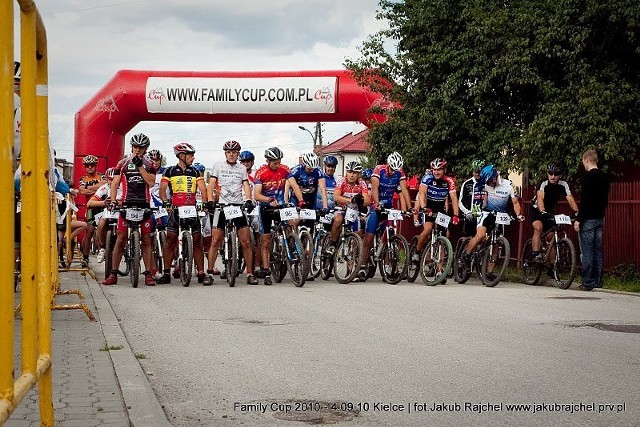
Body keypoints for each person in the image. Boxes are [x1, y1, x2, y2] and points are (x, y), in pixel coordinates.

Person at [102, 133, 159, 286]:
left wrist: (140, 165)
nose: (138, 150)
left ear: (145, 149)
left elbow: (151, 182)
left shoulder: (149, 164)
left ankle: (147, 274)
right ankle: (113, 274)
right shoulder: (122, 163)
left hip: (144, 205)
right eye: (135, 147)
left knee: (147, 241)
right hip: (126, 204)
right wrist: (113, 200)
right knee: (120, 239)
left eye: (141, 147)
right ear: (131, 147)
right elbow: (114, 184)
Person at [205, 140, 257, 285]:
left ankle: (250, 273)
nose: (231, 155)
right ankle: (209, 273)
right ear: (225, 153)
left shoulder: (241, 168)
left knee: (246, 241)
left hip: (237, 206)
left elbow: (246, 185)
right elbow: (212, 184)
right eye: (229, 152)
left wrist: (248, 199)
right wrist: (210, 200)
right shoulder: (218, 166)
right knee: (215, 240)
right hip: (222, 206)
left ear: (238, 154)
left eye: (234, 152)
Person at [460, 164, 524, 281]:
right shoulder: (484, 184)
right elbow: (481, 200)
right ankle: (466, 255)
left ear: (494, 178)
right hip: (486, 213)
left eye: (489, 181)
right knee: (480, 235)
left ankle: (489, 271)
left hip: (500, 215)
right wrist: (476, 210)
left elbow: (515, 203)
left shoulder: (509, 185)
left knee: (496, 244)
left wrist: (518, 215)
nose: (488, 184)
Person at [156, 143, 209, 285]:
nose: (193, 157)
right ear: (181, 156)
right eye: (191, 155)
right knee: (170, 240)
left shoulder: (196, 172)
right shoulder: (169, 171)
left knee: (198, 240)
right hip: (176, 208)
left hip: (191, 208)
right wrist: (166, 202)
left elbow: (203, 189)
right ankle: (166, 273)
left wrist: (204, 202)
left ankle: (201, 273)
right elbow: (162, 190)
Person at [253, 147, 304, 285]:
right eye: (274, 162)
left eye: (279, 162)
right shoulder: (260, 173)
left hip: (281, 206)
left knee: (290, 227)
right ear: (268, 161)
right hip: (266, 208)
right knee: (265, 240)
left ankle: (290, 248)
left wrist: (301, 200)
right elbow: (256, 195)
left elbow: (294, 185)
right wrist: (268, 200)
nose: (277, 165)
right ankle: (266, 270)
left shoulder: (284, 169)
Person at [358, 152, 413, 281]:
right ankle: (362, 266)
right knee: (369, 237)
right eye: (392, 169)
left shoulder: (400, 172)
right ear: (388, 164)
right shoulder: (379, 169)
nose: (394, 172)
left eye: (396, 170)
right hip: (376, 205)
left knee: (391, 233)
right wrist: (377, 204)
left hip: (388, 206)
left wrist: (409, 208)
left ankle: (388, 265)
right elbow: (375, 188)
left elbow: (404, 191)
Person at [529, 164, 579, 273]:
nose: (553, 176)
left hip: (549, 211)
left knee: (551, 237)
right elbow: (540, 198)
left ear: (560, 175)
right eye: (550, 174)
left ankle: (551, 266)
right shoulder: (543, 183)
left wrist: (577, 213)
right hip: (536, 209)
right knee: (538, 227)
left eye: (556, 174)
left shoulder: (563, 184)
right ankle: (535, 253)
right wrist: (542, 211)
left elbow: (570, 199)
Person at [573, 149, 610, 291]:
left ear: (587, 160)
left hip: (588, 219)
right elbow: (605, 198)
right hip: (600, 217)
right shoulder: (604, 176)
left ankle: (587, 282)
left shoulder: (587, 178)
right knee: (598, 250)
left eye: (583, 161)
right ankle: (598, 280)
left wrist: (578, 219)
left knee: (587, 251)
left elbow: (586, 200)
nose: (583, 164)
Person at [412, 158, 460, 264]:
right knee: (428, 229)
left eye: (439, 169)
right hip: (428, 207)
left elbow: (454, 199)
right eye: (434, 169)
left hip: (440, 211)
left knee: (443, 238)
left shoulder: (449, 181)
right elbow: (422, 193)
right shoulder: (427, 178)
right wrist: (424, 207)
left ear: (445, 170)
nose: (436, 172)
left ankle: (439, 270)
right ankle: (417, 251)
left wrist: (456, 215)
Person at [326, 161, 370, 254]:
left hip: (354, 211)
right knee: (337, 220)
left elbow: (367, 201)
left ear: (358, 174)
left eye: (354, 173)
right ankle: (333, 244)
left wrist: (361, 200)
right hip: (341, 208)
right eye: (349, 172)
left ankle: (353, 253)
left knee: (359, 229)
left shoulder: (362, 183)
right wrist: (351, 200)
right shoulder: (341, 181)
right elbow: (336, 197)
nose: (352, 175)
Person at [87, 168, 121, 263]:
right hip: (109, 211)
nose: (112, 182)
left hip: (121, 211)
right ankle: (102, 248)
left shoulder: (123, 186)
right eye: (109, 179)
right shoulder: (104, 188)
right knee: (102, 222)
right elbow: (90, 203)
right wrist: (103, 202)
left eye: (114, 179)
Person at [78, 154, 105, 266]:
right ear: (85, 167)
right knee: (89, 232)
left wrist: (89, 188)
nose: (89, 167)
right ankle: (85, 258)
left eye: (92, 165)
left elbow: (105, 184)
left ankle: (103, 250)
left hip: (101, 206)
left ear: (95, 165)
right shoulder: (83, 179)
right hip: (90, 207)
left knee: (103, 229)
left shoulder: (101, 176)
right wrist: (98, 189)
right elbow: (82, 191)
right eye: (87, 165)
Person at [239, 150, 262, 275]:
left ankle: (257, 265)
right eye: (243, 161)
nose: (245, 164)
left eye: (248, 161)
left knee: (258, 237)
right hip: (240, 206)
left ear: (252, 162)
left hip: (255, 207)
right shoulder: (237, 173)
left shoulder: (256, 174)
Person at [458, 159, 485, 237]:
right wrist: (467, 212)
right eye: (475, 172)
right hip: (470, 215)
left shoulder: (487, 183)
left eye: (479, 172)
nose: (477, 174)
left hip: (483, 215)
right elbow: (460, 201)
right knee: (468, 237)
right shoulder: (467, 184)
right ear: (472, 172)